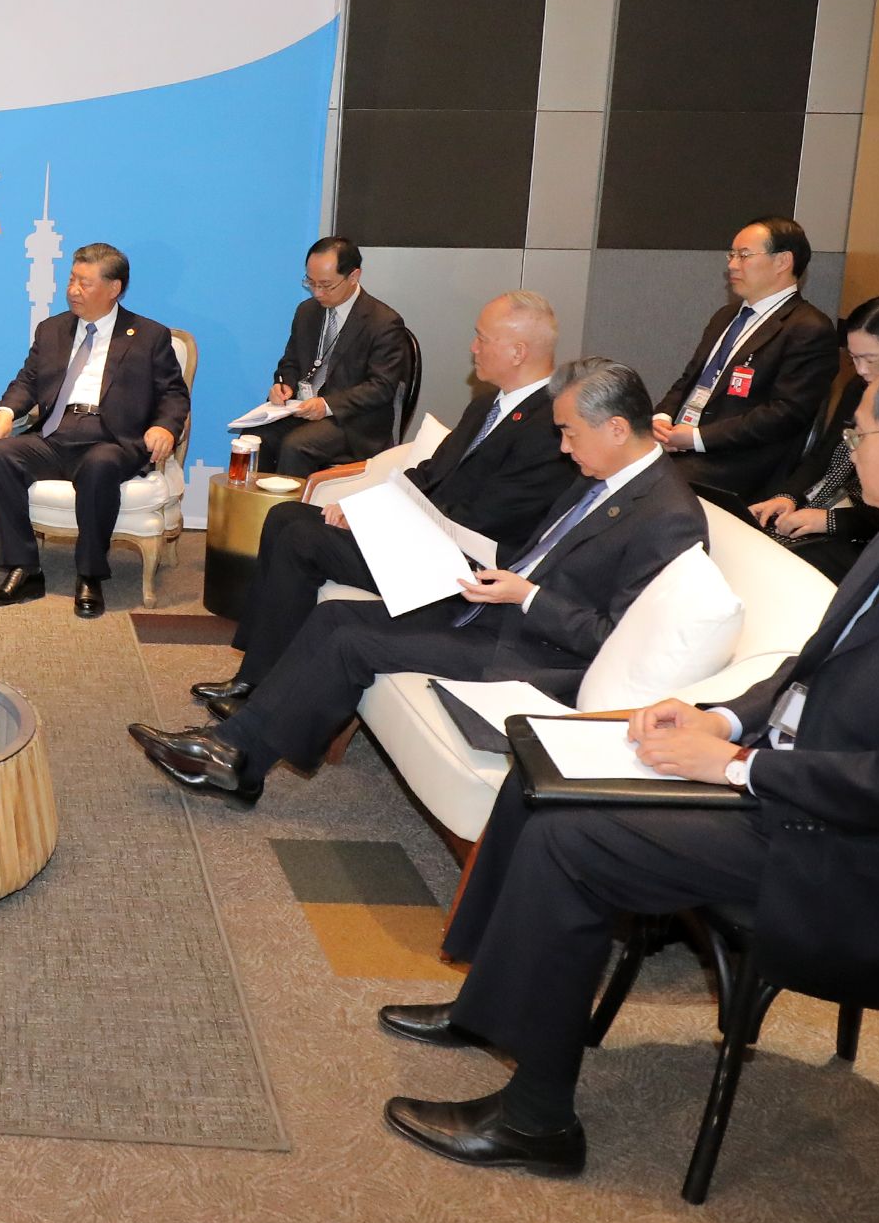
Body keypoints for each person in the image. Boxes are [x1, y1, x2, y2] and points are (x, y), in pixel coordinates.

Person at [381, 349, 879, 1178]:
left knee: (572, 839)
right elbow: (806, 671)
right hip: (798, 796)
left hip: (870, 859)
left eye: (860, 434)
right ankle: (490, 1006)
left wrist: (732, 767)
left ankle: (538, 1123)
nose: (848, 451)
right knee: (543, 768)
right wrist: (718, 715)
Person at [129, 359, 706, 802]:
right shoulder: (602, 473)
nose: (562, 447)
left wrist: (525, 594)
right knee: (334, 616)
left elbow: (615, 638)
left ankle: (237, 763)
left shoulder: (667, 517)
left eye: (571, 434)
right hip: (492, 606)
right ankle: (236, 756)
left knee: (354, 640)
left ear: (616, 427)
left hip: (531, 651)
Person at [194, 290, 577, 718]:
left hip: (456, 568)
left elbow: (489, 517)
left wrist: (385, 523)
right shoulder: (491, 402)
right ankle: (257, 672)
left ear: (518, 351)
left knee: (303, 537)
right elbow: (431, 472)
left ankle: (259, 684)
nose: (473, 348)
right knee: (286, 516)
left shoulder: (550, 425)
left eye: (481, 338)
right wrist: (368, 504)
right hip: (422, 538)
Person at [0, 241, 190, 619]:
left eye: (84, 283)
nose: (73, 290)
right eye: (72, 280)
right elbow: (27, 380)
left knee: (100, 465)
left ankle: (90, 573)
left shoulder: (148, 335)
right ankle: (23, 567)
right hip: (56, 434)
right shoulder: (52, 329)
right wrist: (5, 413)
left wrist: (164, 428)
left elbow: (174, 394)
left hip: (112, 439)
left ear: (114, 288)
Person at [744, 295, 879, 581]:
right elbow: (824, 454)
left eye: (870, 359)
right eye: (854, 358)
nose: (861, 370)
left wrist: (829, 522)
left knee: (779, 572)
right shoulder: (860, 387)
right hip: (832, 511)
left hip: (877, 537)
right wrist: (789, 496)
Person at [652, 217, 838, 501]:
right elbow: (689, 380)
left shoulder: (808, 328)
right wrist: (663, 418)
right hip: (685, 444)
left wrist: (696, 438)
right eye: (732, 255)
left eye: (744, 255)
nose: (732, 265)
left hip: (737, 462)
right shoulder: (725, 317)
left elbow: (784, 414)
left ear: (783, 261)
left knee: (649, 486)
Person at [241, 236, 413, 476]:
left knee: (296, 446)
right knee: (254, 437)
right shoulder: (306, 312)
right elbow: (289, 362)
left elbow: (381, 388)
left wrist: (327, 405)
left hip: (353, 422)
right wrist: (283, 385)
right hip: (302, 410)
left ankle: (292, 513)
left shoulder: (383, 322)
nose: (317, 293)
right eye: (310, 283)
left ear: (353, 277)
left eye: (326, 285)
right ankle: (259, 510)